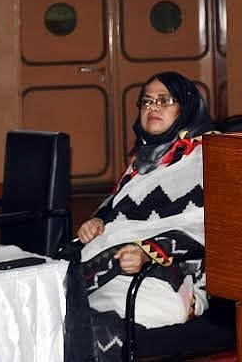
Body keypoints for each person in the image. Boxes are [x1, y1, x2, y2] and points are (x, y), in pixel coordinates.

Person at [77, 71, 214, 345]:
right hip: (119, 264)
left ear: (186, 109)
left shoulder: (206, 158)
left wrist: (149, 251)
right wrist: (98, 221)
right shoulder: (145, 157)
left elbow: (205, 224)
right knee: (65, 304)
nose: (153, 108)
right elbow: (119, 205)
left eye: (164, 101)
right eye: (147, 101)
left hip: (174, 274)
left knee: (81, 314)